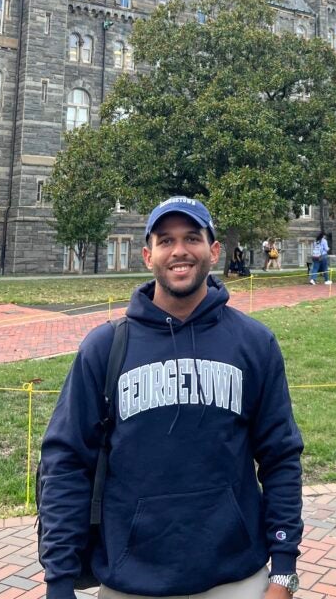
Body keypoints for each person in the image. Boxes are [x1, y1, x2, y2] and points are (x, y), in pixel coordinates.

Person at [38, 196, 303, 599]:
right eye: (166, 240)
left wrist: (283, 570)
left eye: (192, 237)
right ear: (148, 255)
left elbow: (280, 456)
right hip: (131, 582)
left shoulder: (253, 343)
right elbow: (66, 461)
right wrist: (59, 581)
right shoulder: (106, 347)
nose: (179, 250)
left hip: (236, 579)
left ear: (214, 251)